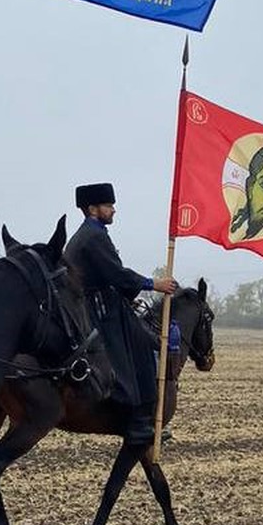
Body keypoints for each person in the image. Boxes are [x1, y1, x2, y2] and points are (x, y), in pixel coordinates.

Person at [64, 182, 177, 444]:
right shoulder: (93, 236)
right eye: (108, 205)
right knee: (144, 346)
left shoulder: (92, 233)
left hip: (101, 302)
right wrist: (154, 284)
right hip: (98, 310)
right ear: (92, 209)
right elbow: (116, 274)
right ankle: (140, 421)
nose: (113, 210)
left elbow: (111, 275)